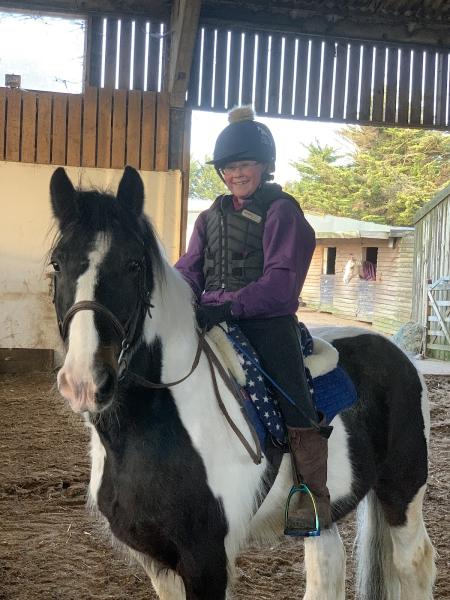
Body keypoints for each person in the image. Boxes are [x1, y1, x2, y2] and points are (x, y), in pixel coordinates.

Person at [175, 106, 332, 534]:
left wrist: (230, 306)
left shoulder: (282, 212)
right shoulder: (209, 217)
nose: (236, 173)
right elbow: (190, 268)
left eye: (244, 164)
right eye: (228, 167)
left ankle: (310, 493)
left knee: (294, 398)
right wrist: (174, 293)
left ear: (264, 166)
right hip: (208, 315)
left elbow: (281, 283)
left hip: (266, 321)